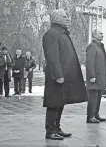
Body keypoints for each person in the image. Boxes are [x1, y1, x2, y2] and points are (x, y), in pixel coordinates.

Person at [42, 9, 87, 140]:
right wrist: (58, 75)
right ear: (56, 19)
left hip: (64, 75)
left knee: (60, 102)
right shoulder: (52, 34)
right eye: (65, 16)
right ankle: (50, 131)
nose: (68, 18)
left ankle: (56, 128)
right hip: (56, 76)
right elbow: (52, 56)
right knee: (53, 103)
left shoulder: (61, 33)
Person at [85, 29, 106, 124]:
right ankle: (90, 116)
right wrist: (92, 75)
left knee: (98, 96)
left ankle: (95, 114)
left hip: (100, 77)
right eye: (100, 33)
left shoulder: (99, 46)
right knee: (93, 96)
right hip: (94, 77)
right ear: (94, 35)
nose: (102, 35)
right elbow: (89, 62)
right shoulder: (92, 46)